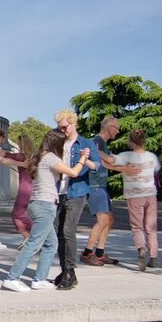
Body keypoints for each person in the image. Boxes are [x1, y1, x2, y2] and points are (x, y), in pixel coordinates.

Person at [1, 129, 92, 292]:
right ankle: (12, 278)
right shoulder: (50, 158)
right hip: (45, 205)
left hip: (37, 204)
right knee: (33, 244)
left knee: (51, 243)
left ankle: (39, 279)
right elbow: (73, 172)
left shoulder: (37, 156)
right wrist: (83, 157)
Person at [81, 116, 139, 266]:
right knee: (103, 220)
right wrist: (122, 168)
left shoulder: (103, 144)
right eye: (116, 127)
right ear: (108, 127)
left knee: (110, 218)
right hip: (94, 186)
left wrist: (116, 160)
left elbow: (110, 159)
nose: (118, 131)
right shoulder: (96, 141)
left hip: (101, 186)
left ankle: (99, 253)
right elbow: (103, 162)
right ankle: (87, 253)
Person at [52, 109, 99, 290]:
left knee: (68, 230)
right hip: (58, 192)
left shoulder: (85, 143)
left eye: (64, 127)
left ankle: (71, 272)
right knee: (57, 232)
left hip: (77, 192)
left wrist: (85, 160)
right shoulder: (58, 143)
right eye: (60, 127)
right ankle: (64, 270)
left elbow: (98, 167)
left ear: (73, 123)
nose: (62, 130)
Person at [114, 129, 161, 271]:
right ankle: (153, 257)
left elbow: (111, 160)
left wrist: (99, 151)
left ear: (130, 142)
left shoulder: (125, 156)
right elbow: (156, 170)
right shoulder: (152, 156)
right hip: (150, 194)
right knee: (151, 228)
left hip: (134, 195)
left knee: (137, 226)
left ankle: (141, 249)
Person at [0, 134, 34, 248]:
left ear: (21, 144)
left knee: (16, 215)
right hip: (34, 188)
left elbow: (3, 157)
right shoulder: (35, 156)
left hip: (24, 188)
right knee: (28, 214)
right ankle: (36, 237)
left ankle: (29, 238)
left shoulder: (20, 156)